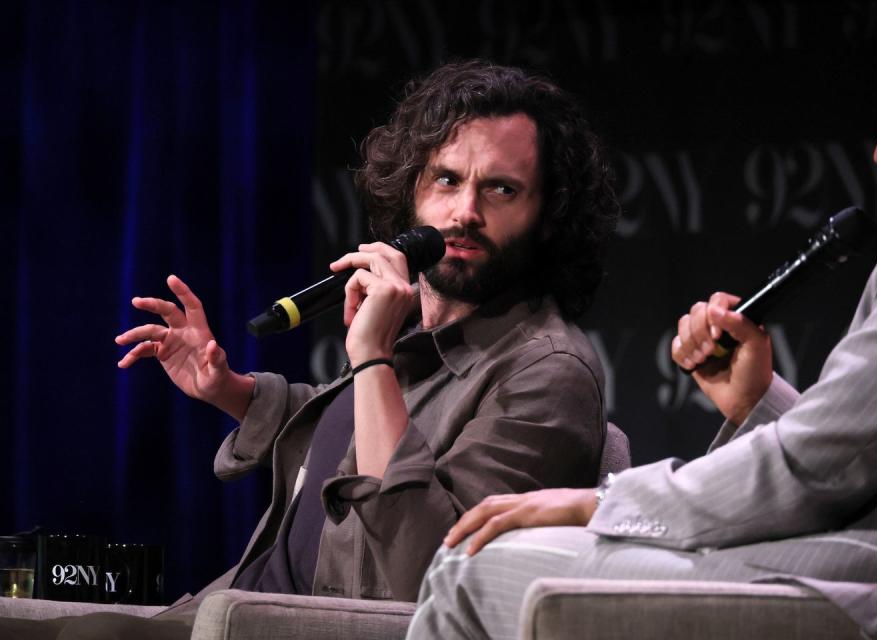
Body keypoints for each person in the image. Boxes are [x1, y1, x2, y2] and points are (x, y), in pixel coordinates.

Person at [0, 61, 618, 639]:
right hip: (243, 600)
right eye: (447, 179)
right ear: (411, 190)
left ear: (548, 216)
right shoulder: (415, 333)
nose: (464, 212)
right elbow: (345, 439)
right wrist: (232, 389)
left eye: (503, 190)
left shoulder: (545, 370)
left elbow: (430, 577)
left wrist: (372, 357)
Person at [406, 13, 877, 640]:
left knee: (469, 565)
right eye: (446, 180)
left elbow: (821, 468)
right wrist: (760, 400)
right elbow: (874, 455)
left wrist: (599, 504)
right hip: (869, 554)